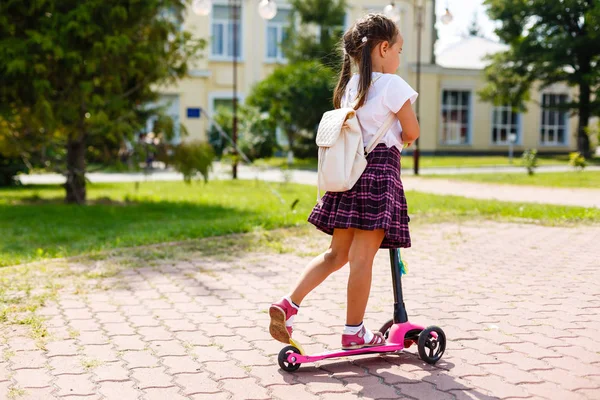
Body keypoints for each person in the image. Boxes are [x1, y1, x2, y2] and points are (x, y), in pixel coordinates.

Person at [269, 13, 420, 350]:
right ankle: (354, 332)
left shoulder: (352, 86)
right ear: (383, 48)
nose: (399, 56)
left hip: (351, 174)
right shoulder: (394, 85)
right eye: (399, 49)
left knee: (335, 255)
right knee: (362, 259)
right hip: (379, 174)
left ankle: (288, 304)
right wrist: (405, 137)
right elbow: (412, 131)